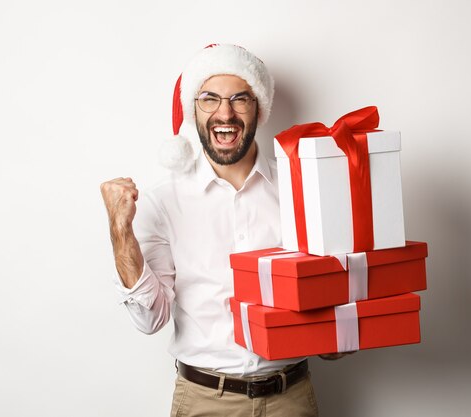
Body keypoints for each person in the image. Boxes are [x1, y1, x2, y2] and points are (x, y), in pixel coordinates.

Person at [101, 44, 338, 417]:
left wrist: (341, 330)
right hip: (205, 401)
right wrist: (120, 232)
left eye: (239, 99)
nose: (224, 112)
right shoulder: (161, 202)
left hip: (291, 397)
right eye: (209, 98)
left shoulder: (301, 191)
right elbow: (150, 319)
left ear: (258, 109)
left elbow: (326, 304)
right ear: (193, 110)